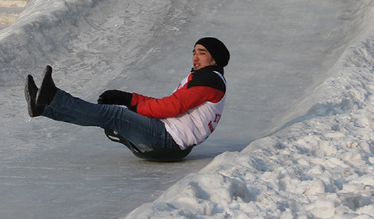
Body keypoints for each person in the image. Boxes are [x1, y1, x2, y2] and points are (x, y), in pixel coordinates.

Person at [24, 37, 229, 160]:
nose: (195, 57)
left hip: (169, 142)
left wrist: (132, 109)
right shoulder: (205, 78)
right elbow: (168, 104)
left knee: (113, 115)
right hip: (169, 139)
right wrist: (129, 98)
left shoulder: (209, 80)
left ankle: (53, 98)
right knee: (109, 116)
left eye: (201, 53)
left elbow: (172, 107)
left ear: (215, 59)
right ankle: (44, 107)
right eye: (194, 52)